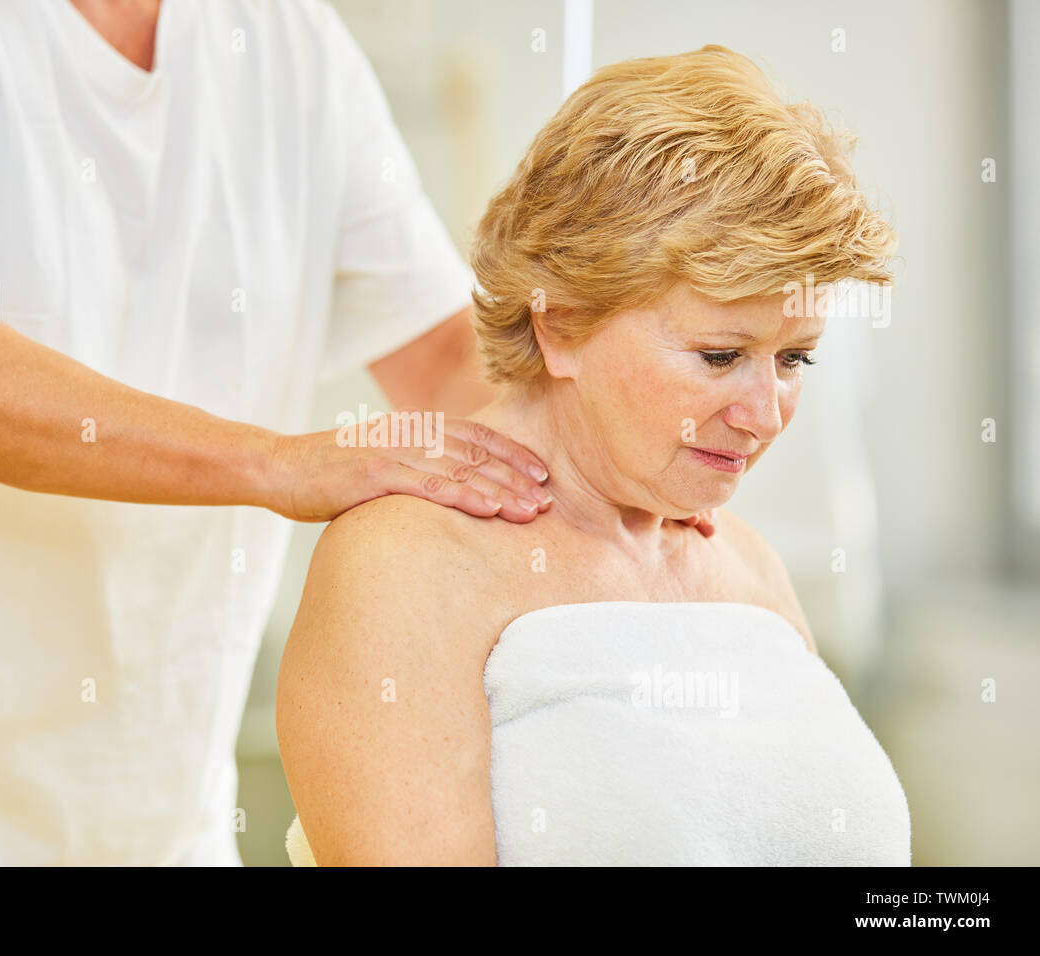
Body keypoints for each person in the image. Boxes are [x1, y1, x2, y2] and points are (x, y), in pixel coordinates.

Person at [0, 0, 578, 866]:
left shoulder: (290, 44)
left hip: (153, 803)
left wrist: (619, 445)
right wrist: (279, 464)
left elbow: (444, 356)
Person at [277, 44, 912, 866]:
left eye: (795, 359)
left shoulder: (747, 569)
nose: (765, 417)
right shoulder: (405, 567)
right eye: (720, 356)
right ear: (560, 324)